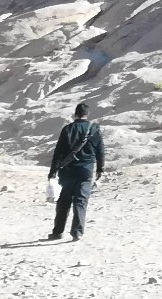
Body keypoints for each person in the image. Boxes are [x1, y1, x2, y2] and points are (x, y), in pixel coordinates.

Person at [47, 101, 106, 241]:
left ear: (75, 114)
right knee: (81, 201)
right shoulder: (94, 128)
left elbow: (59, 152)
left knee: (63, 202)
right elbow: (100, 150)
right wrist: (100, 169)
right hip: (86, 170)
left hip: (67, 170)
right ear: (88, 114)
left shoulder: (67, 129)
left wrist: (52, 171)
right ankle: (77, 232)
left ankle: (57, 232)